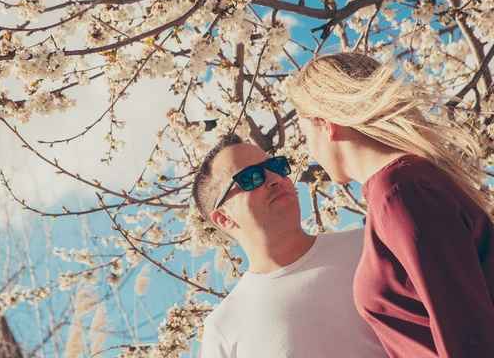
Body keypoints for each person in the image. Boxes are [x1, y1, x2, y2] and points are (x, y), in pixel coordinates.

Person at [285, 51, 494, 357]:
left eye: (305, 135)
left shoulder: (400, 192)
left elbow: (469, 335)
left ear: (325, 124)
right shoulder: (403, 187)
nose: (311, 152)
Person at [193, 134, 385, 357]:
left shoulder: (369, 246)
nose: (275, 178)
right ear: (224, 218)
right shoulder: (224, 329)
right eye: (251, 177)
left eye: (276, 166)